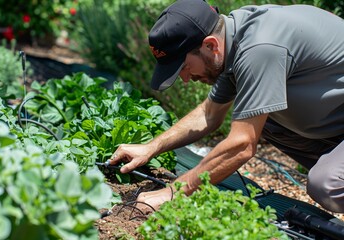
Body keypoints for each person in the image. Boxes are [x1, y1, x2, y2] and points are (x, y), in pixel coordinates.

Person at [109, 0, 344, 213]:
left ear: (210, 45)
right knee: (260, 114)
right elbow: (209, 114)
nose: (186, 79)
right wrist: (151, 148)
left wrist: (174, 192)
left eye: (184, 67)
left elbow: (242, 145)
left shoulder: (259, 48)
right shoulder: (232, 38)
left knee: (327, 184)